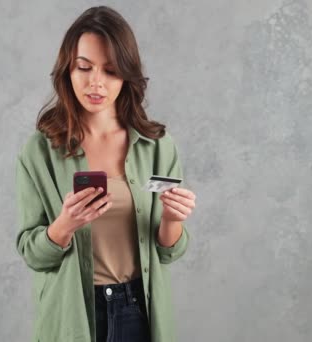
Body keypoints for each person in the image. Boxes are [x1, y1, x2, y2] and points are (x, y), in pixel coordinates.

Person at [15, 6, 196, 342]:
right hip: (74, 316)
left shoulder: (157, 146)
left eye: (111, 71)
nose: (96, 82)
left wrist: (173, 218)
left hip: (138, 311)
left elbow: (169, 251)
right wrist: (64, 225)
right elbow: (31, 252)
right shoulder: (39, 151)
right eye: (84, 67)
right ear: (68, 69)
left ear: (126, 76)